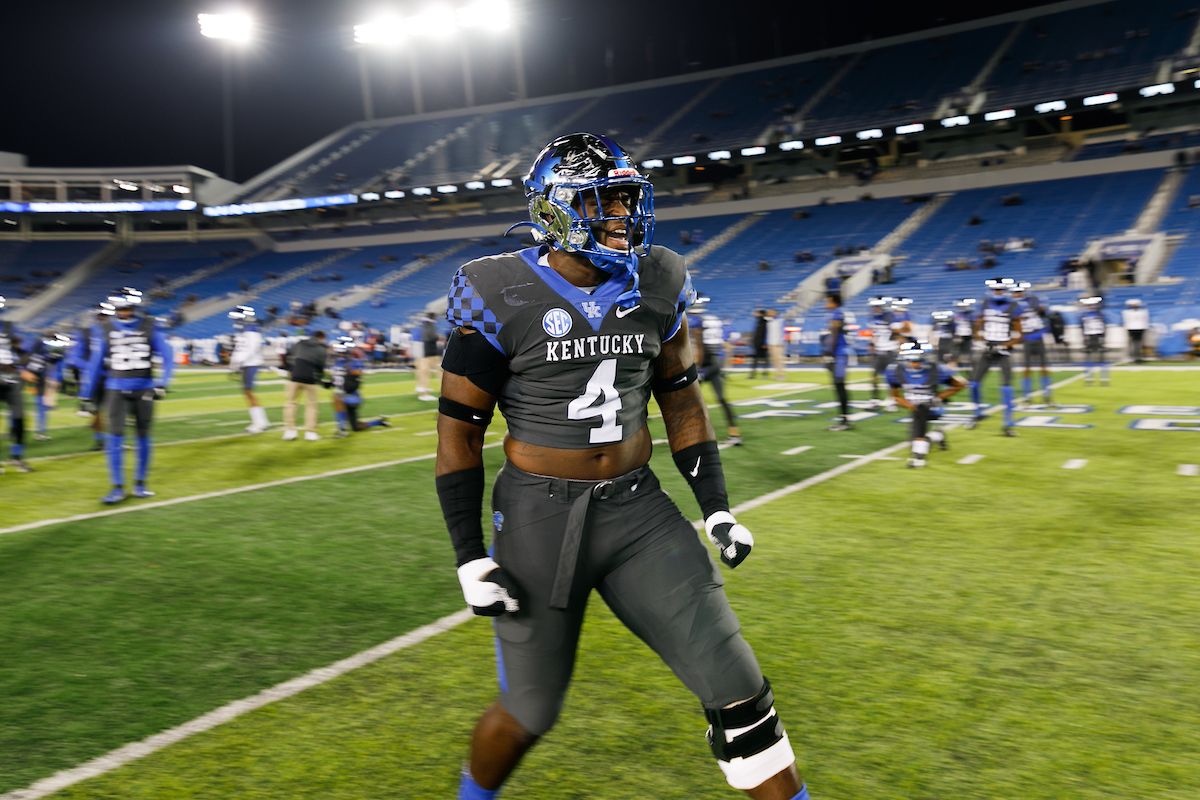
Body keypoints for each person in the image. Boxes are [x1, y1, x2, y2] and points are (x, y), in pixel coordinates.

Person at [436, 133, 806, 800]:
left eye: (627, 200)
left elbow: (683, 405)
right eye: (604, 201)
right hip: (537, 517)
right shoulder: (495, 287)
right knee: (530, 711)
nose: (621, 216)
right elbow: (459, 433)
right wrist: (468, 554)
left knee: (741, 693)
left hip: (639, 511)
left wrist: (716, 508)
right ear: (553, 209)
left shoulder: (660, 277)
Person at [81, 288, 174, 503]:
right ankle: (117, 487)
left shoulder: (150, 325)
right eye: (121, 309)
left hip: (144, 387)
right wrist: (85, 395)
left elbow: (168, 355)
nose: (124, 313)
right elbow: (95, 363)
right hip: (115, 389)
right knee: (114, 437)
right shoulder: (104, 328)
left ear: (135, 307)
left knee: (143, 436)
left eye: (128, 308)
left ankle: (140, 483)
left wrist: (163, 382)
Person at [886, 344, 966, 468]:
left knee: (920, 416)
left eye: (917, 361)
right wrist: (909, 405)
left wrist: (938, 397)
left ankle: (919, 459)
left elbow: (959, 385)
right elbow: (895, 396)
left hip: (934, 407)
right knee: (917, 437)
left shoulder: (936, 371)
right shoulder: (896, 372)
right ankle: (937, 435)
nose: (914, 364)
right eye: (911, 361)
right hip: (916, 409)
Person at [966, 278, 1023, 435]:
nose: (997, 293)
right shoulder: (984, 304)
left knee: (1006, 387)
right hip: (987, 348)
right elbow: (977, 326)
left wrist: (1004, 346)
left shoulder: (1013, 306)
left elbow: (1019, 335)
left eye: (1000, 290)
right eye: (995, 290)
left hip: (1003, 350)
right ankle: (976, 413)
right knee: (974, 383)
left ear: (1004, 290)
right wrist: (980, 340)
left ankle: (1008, 424)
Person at [690, 307, 741, 445]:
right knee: (721, 399)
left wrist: (699, 368)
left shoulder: (696, 322)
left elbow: (699, 346)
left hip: (707, 366)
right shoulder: (709, 321)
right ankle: (734, 434)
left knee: (688, 400)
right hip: (714, 364)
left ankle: (692, 433)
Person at [328, 337, 390, 437]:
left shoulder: (354, 363)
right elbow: (333, 382)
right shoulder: (337, 363)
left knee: (336, 398)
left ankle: (342, 430)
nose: (339, 354)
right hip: (345, 395)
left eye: (341, 352)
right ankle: (380, 422)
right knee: (356, 427)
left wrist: (347, 376)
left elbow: (355, 382)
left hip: (353, 397)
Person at [0, 297, 34, 474]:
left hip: (10, 378)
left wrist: (21, 368)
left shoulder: (9, 327)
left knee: (19, 418)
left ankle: (16, 458)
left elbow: (22, 352)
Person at [228, 305, 270, 433]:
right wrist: (234, 363)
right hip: (246, 363)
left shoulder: (252, 332)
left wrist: (238, 362)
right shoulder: (245, 332)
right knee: (247, 392)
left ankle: (260, 422)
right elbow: (239, 349)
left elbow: (251, 349)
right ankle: (260, 421)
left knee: (249, 391)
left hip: (250, 364)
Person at [281, 329, 327, 441]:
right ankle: (310, 433)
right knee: (311, 405)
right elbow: (320, 366)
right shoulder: (321, 348)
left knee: (291, 403)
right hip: (310, 377)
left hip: (295, 375)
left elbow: (287, 354)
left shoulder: (300, 343)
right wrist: (319, 378)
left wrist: (289, 369)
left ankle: (290, 431)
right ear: (322, 338)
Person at [1012, 283, 1053, 407]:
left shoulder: (1033, 300)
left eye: (1020, 291)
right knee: (1026, 368)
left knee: (1044, 366)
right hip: (1027, 338)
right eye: (1016, 292)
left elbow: (1041, 310)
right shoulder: (1012, 305)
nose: (1018, 294)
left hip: (1038, 336)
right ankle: (1026, 397)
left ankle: (1047, 397)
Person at [823, 293, 853, 431]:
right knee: (838, 386)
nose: (825, 303)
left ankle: (845, 419)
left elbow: (835, 332)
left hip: (840, 354)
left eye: (828, 301)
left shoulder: (836, 313)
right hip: (838, 353)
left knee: (840, 385)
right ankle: (844, 418)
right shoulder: (835, 313)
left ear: (834, 302)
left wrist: (830, 352)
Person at [867, 297, 899, 411]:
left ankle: (892, 402)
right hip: (878, 351)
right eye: (874, 306)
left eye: (877, 306)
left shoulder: (890, 316)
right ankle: (875, 401)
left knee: (891, 378)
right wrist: (871, 344)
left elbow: (897, 333)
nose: (875, 309)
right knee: (874, 377)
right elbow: (873, 333)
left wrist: (899, 347)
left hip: (889, 350)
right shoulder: (873, 318)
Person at [1079, 296, 1108, 385]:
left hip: (1098, 337)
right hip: (1089, 337)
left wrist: (1103, 337)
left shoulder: (1100, 314)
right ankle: (1089, 379)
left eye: (1093, 305)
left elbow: (1104, 327)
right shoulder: (1084, 315)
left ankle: (1104, 379)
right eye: (1090, 305)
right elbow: (1082, 327)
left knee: (1101, 358)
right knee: (1089, 358)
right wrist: (1084, 339)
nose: (1092, 307)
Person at [416, 312, 440, 401]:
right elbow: (431, 337)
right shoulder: (430, 326)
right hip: (430, 351)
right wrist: (437, 337)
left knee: (423, 370)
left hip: (424, 350)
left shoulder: (424, 325)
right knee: (429, 371)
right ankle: (424, 393)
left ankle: (422, 388)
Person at [1122, 298, 1149, 363]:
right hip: (1131, 328)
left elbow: (1145, 320)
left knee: (1139, 343)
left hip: (1140, 328)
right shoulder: (1126, 312)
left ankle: (1139, 357)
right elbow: (1126, 321)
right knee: (1133, 343)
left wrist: (1145, 327)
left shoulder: (1143, 311)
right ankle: (1133, 357)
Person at [952, 299, 976, 368]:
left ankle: (967, 366)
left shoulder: (970, 315)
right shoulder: (956, 315)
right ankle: (958, 366)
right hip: (958, 335)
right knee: (956, 352)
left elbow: (973, 325)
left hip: (968, 335)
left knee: (967, 352)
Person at [766, 308, 786, 380]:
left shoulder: (780, 320)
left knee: (779, 360)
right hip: (771, 343)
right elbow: (768, 333)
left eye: (769, 312)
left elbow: (782, 332)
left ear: (774, 313)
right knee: (774, 360)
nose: (768, 313)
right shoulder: (769, 321)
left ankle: (781, 375)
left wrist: (780, 342)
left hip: (778, 344)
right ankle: (777, 374)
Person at [750, 309, 769, 378]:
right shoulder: (758, 322)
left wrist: (765, 343)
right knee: (755, 360)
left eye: (757, 313)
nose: (756, 314)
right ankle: (752, 374)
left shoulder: (765, 322)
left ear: (761, 314)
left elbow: (766, 334)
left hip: (763, 344)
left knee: (764, 360)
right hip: (757, 344)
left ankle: (764, 374)